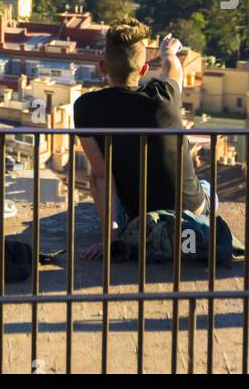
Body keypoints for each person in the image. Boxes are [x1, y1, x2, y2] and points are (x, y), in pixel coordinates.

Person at [73, 22, 212, 260]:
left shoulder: (87, 107)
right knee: (206, 187)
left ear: (102, 67)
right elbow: (173, 71)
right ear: (144, 69)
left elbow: (100, 176)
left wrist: (111, 240)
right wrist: (168, 51)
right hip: (191, 212)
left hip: (143, 218)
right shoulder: (165, 96)